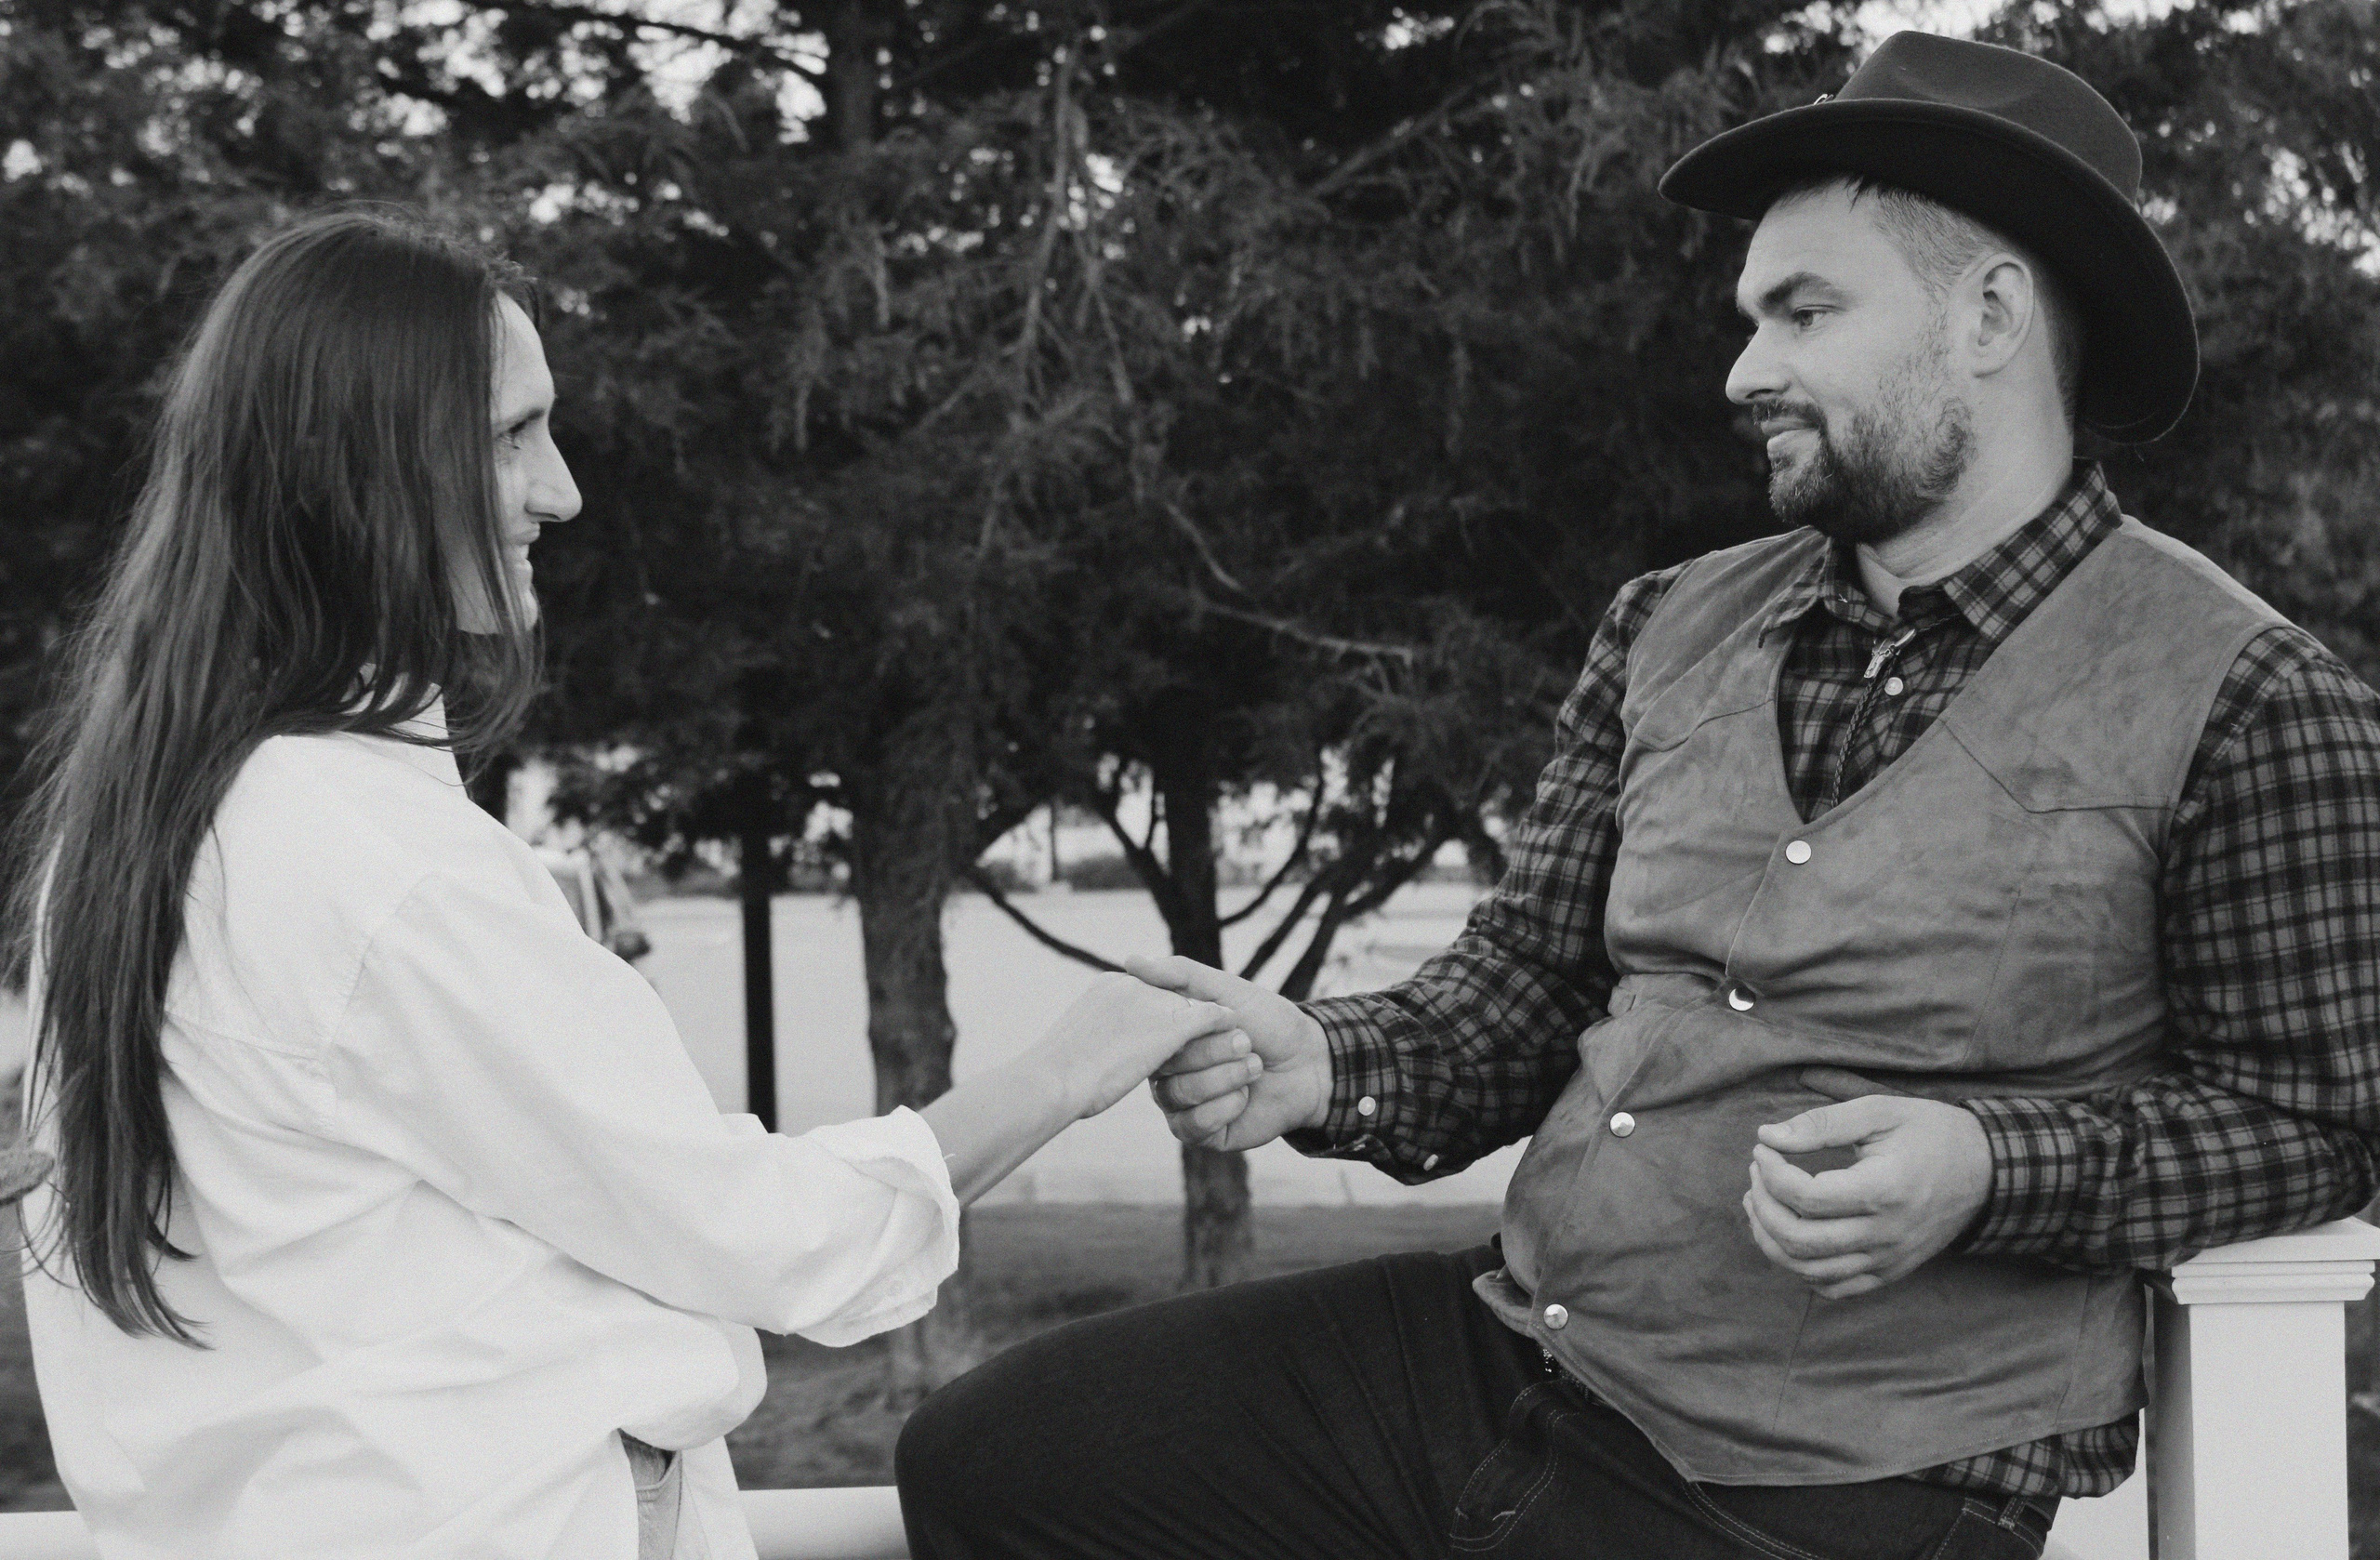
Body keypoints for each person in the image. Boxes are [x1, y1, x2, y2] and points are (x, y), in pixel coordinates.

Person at [894, 33, 2380, 1560]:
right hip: (1522, 1353)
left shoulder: (2251, 696)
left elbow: (2318, 1123)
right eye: (1750, 318)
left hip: (1847, 1486)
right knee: (995, 1458)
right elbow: (1533, 985)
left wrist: (1993, 1168)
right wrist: (1322, 1065)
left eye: (1806, 311)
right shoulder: (1666, 621)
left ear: (1991, 315)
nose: (1746, 370)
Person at [5, 207, 1242, 1560]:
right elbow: (756, 1233)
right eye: (509, 435)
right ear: (354, 467)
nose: (562, 490)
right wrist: (1072, 1064)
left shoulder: (138, 834)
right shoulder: (377, 869)